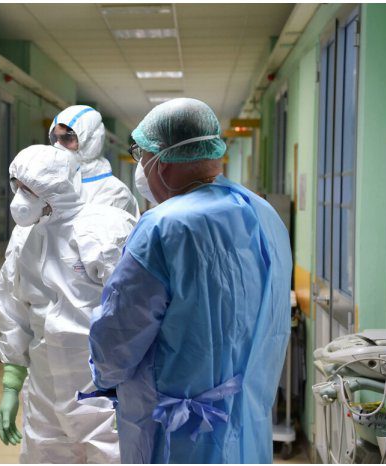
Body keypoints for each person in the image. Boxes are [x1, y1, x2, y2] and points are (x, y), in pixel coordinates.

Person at [88, 98, 293, 463]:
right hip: (246, 424)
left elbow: (118, 338)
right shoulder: (264, 215)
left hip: (178, 433)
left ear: (163, 160)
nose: (141, 167)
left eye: (142, 155)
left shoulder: (163, 227)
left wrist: (103, 376)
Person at [0, 145, 137, 463]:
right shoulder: (24, 237)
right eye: (18, 187)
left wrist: (133, 389)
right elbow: (14, 308)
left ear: (56, 190)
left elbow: (133, 315)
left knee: (110, 455)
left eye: (30, 190)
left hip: (101, 386)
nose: (20, 199)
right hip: (44, 383)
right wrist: (11, 383)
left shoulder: (104, 229)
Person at [49, 105, 139, 218]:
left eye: (66, 138)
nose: (58, 145)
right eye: (54, 138)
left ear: (90, 141)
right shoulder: (52, 181)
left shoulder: (115, 193)